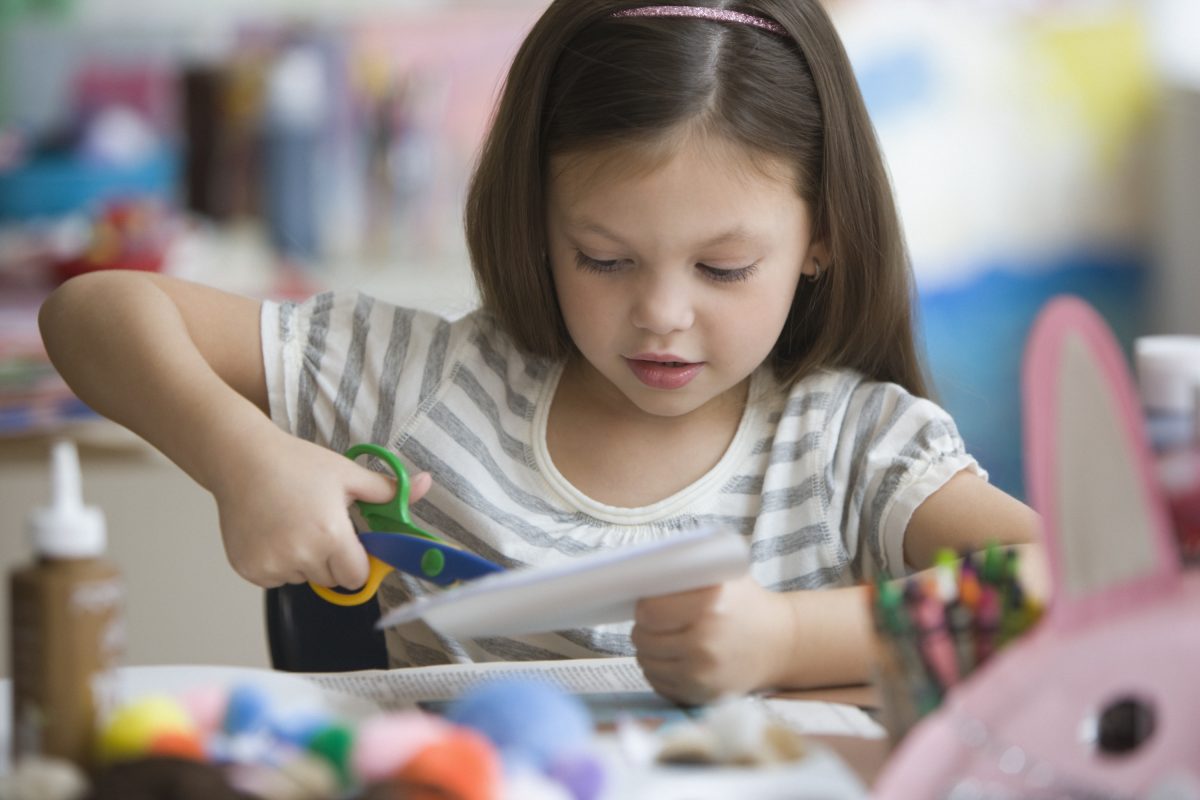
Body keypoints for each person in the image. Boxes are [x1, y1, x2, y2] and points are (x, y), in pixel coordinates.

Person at [40, 0, 1042, 705]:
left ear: (822, 235)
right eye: (603, 257)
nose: (661, 315)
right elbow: (94, 312)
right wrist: (240, 456)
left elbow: (1055, 579)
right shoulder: (428, 382)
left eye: (724, 267)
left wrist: (783, 639)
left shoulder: (849, 446)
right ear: (540, 220)